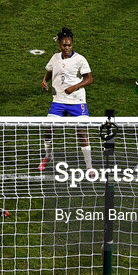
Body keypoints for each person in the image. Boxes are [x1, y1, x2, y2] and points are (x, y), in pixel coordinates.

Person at [39, 28, 94, 172]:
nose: (67, 48)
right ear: (59, 45)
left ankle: (89, 166)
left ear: (72, 45)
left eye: (69, 45)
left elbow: (89, 79)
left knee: (82, 131)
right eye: (64, 45)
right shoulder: (55, 57)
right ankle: (47, 156)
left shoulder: (80, 59)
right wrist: (45, 81)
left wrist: (74, 87)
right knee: (48, 128)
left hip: (77, 101)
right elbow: (50, 70)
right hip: (58, 101)